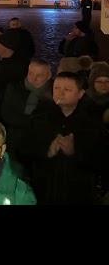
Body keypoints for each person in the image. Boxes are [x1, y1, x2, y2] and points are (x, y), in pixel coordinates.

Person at [25, 71, 109, 204]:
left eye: (67, 89)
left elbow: (102, 159)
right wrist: (47, 150)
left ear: (80, 94)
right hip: (44, 191)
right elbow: (23, 151)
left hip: (79, 194)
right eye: (56, 88)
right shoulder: (40, 116)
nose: (60, 93)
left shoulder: (92, 121)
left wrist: (76, 151)